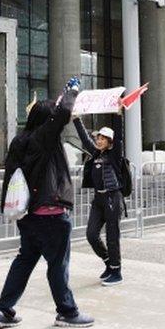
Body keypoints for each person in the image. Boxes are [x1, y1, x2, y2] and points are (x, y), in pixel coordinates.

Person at [0, 78, 94, 329]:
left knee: (25, 260)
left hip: (27, 214)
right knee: (58, 264)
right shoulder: (42, 140)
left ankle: (4, 310)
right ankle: (67, 311)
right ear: (46, 122)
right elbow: (62, 114)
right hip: (50, 213)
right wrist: (71, 91)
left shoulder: (20, 141)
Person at [74, 107, 125, 286]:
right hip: (98, 200)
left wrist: (118, 115)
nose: (98, 140)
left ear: (109, 142)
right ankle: (107, 262)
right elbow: (84, 138)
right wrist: (76, 119)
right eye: (98, 137)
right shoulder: (95, 154)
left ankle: (116, 271)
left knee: (112, 236)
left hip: (113, 198)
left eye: (103, 138)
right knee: (91, 234)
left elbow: (119, 138)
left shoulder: (114, 155)